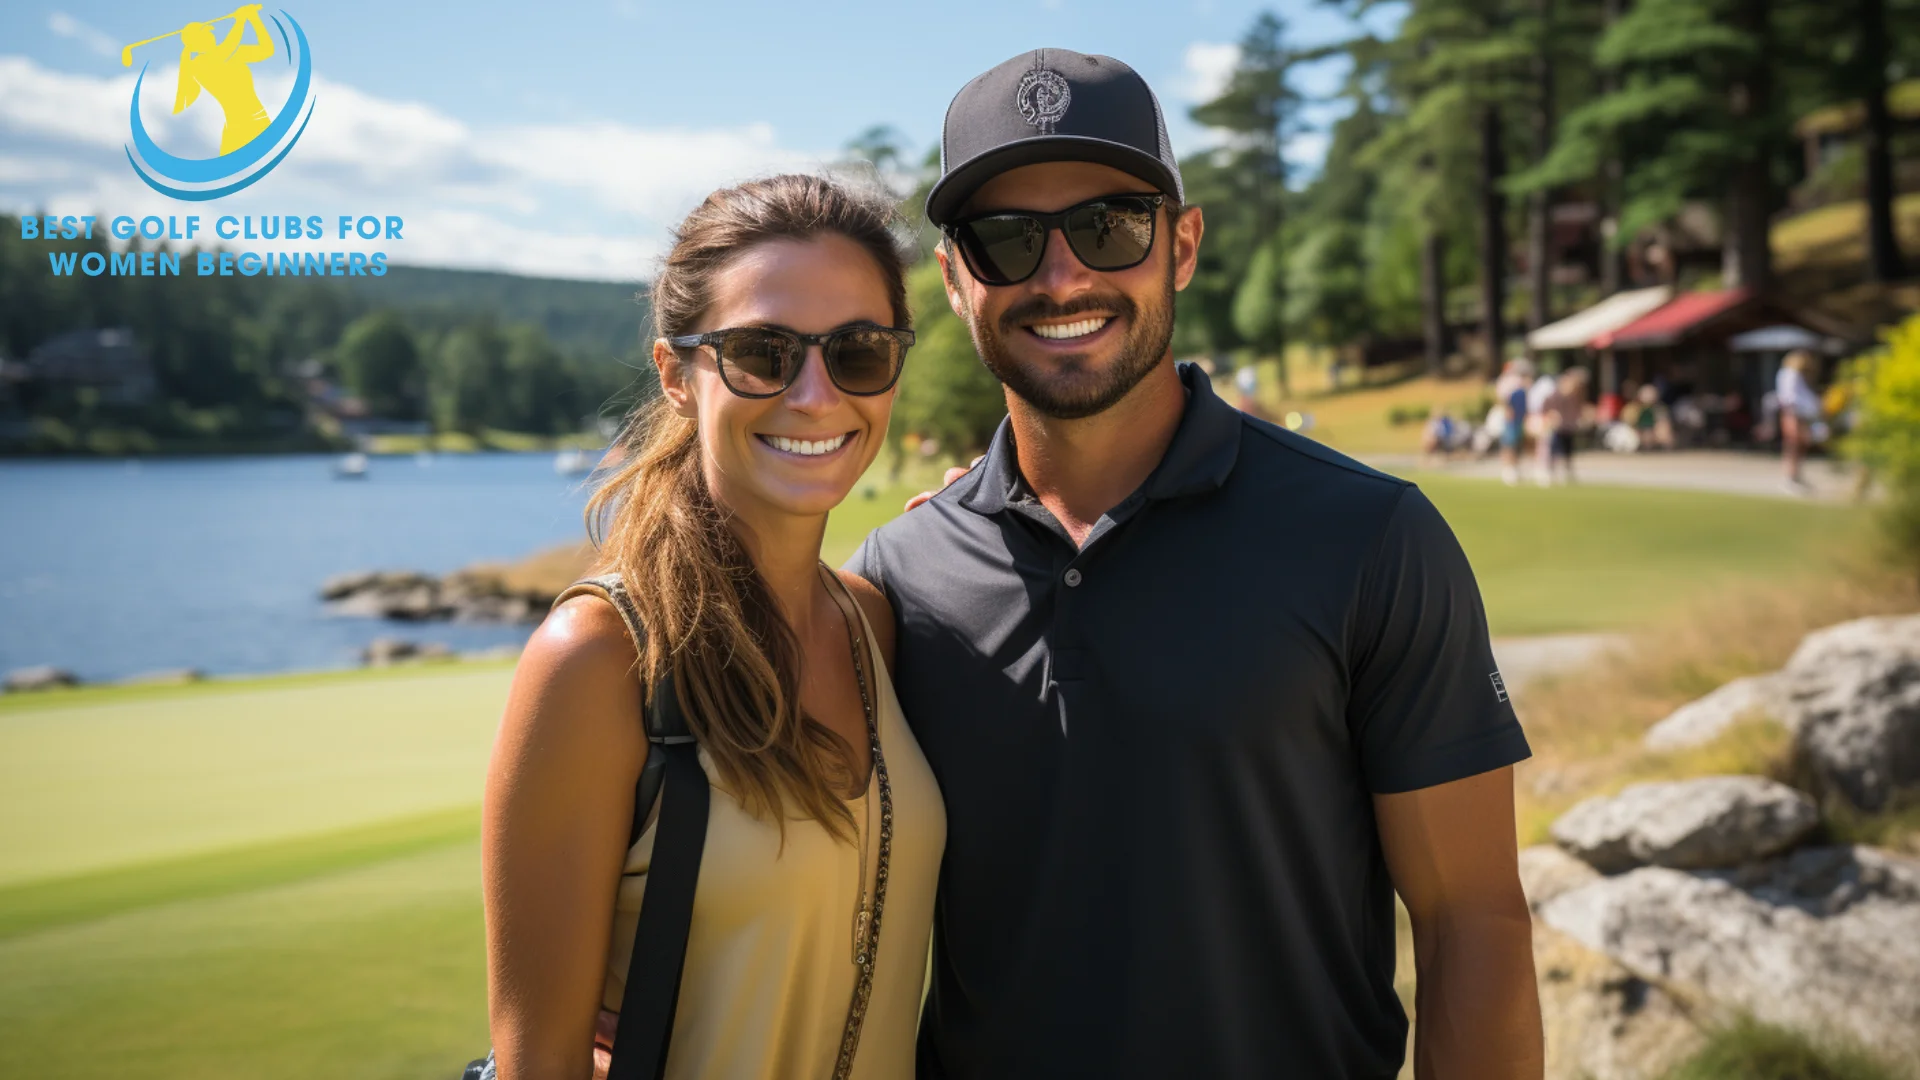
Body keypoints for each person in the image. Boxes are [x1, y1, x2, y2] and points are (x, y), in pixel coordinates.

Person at [855, 49, 1542, 1080]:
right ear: (954, 280)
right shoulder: (897, 575)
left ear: (1181, 245)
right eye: (1005, 241)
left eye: (1110, 225)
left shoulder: (1371, 538)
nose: (1062, 276)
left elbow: (1473, 922)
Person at [482, 175, 945, 1080]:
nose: (815, 395)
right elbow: (539, 1062)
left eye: (857, 351)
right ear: (676, 374)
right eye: (761, 353)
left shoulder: (874, 625)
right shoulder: (600, 659)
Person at [171, 5, 276, 154]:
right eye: (205, 34)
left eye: (209, 33)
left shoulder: (235, 54)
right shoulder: (198, 65)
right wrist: (240, 20)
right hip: (238, 128)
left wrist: (254, 19)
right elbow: (227, 48)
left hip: (257, 121)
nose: (211, 35)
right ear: (196, 43)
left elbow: (267, 50)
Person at [1776, 349, 1821, 493]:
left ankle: (1796, 475)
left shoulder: (1797, 375)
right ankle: (1790, 477)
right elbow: (1789, 396)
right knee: (1793, 445)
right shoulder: (1790, 374)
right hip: (1793, 413)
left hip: (1799, 414)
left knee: (1800, 445)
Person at [1540, 368, 1588, 485]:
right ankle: (1550, 472)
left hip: (1569, 426)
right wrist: (1551, 417)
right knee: (1554, 450)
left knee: (1568, 451)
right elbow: (1546, 408)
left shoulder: (1574, 396)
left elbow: (1577, 410)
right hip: (1558, 427)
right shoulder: (1555, 396)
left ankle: (1567, 473)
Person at [1494, 358, 1534, 485]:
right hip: (1510, 418)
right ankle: (1508, 469)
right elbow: (1503, 399)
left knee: (1517, 443)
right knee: (1509, 443)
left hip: (1519, 416)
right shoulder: (1505, 381)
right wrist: (1508, 411)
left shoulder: (1519, 381)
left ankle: (1515, 468)